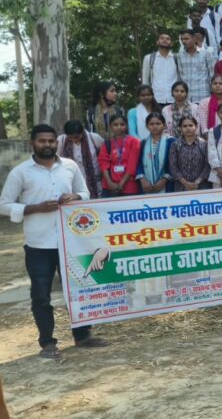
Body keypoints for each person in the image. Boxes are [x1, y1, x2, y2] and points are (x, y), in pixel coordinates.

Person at [0, 124, 107, 359]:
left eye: (51, 141)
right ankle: (47, 343)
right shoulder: (21, 172)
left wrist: (75, 196)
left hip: (70, 241)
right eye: (42, 141)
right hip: (39, 244)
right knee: (41, 295)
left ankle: (83, 336)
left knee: (77, 290)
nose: (47, 145)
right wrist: (34, 208)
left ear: (56, 143)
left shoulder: (69, 166)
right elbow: (4, 205)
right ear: (32, 143)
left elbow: (86, 193)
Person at [58, 120, 104, 199]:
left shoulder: (94, 138)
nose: (74, 140)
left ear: (82, 132)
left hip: (94, 181)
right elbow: (57, 158)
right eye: (70, 138)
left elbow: (104, 156)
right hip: (73, 181)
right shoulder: (61, 140)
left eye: (76, 137)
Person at [97, 115, 141, 197]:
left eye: (122, 124)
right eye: (115, 125)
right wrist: (109, 183)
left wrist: (121, 184)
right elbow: (103, 164)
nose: (119, 127)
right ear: (110, 127)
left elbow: (132, 166)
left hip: (129, 186)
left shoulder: (134, 142)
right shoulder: (107, 143)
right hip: (109, 186)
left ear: (126, 126)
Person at [168, 116, 210, 191]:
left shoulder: (204, 144)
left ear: (196, 126)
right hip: (181, 187)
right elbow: (173, 167)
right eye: (184, 126)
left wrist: (197, 182)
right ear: (180, 128)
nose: (188, 128)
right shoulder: (175, 145)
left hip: (201, 187)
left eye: (191, 125)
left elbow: (207, 165)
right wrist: (186, 183)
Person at [137, 113, 176, 194]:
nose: (155, 126)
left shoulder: (171, 141)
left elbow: (174, 164)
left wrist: (164, 180)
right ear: (147, 126)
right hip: (147, 185)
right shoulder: (143, 143)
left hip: (166, 185)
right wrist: (142, 179)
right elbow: (139, 163)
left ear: (164, 125)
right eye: (151, 124)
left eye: (158, 123)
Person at [142, 33, 181, 107]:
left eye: (168, 39)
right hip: (156, 99)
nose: (165, 40)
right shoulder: (149, 58)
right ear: (157, 42)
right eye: (162, 38)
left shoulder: (176, 58)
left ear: (171, 43)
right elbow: (145, 80)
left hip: (174, 99)